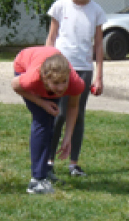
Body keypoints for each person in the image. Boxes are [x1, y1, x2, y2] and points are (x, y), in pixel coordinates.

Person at [45, 0, 106, 178]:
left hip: (84, 68)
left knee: (78, 114)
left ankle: (73, 163)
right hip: (61, 67)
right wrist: (48, 63)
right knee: (59, 113)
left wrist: (98, 75)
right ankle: (49, 160)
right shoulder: (60, 6)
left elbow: (98, 45)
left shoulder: (96, 10)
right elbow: (51, 37)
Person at [11, 46, 85, 194]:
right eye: (56, 83)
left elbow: (73, 107)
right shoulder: (32, 78)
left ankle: (44, 172)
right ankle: (37, 181)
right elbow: (15, 85)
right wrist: (42, 103)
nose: (61, 87)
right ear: (45, 79)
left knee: (50, 122)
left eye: (64, 81)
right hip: (24, 64)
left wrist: (68, 137)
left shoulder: (75, 82)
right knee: (43, 120)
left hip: (46, 66)